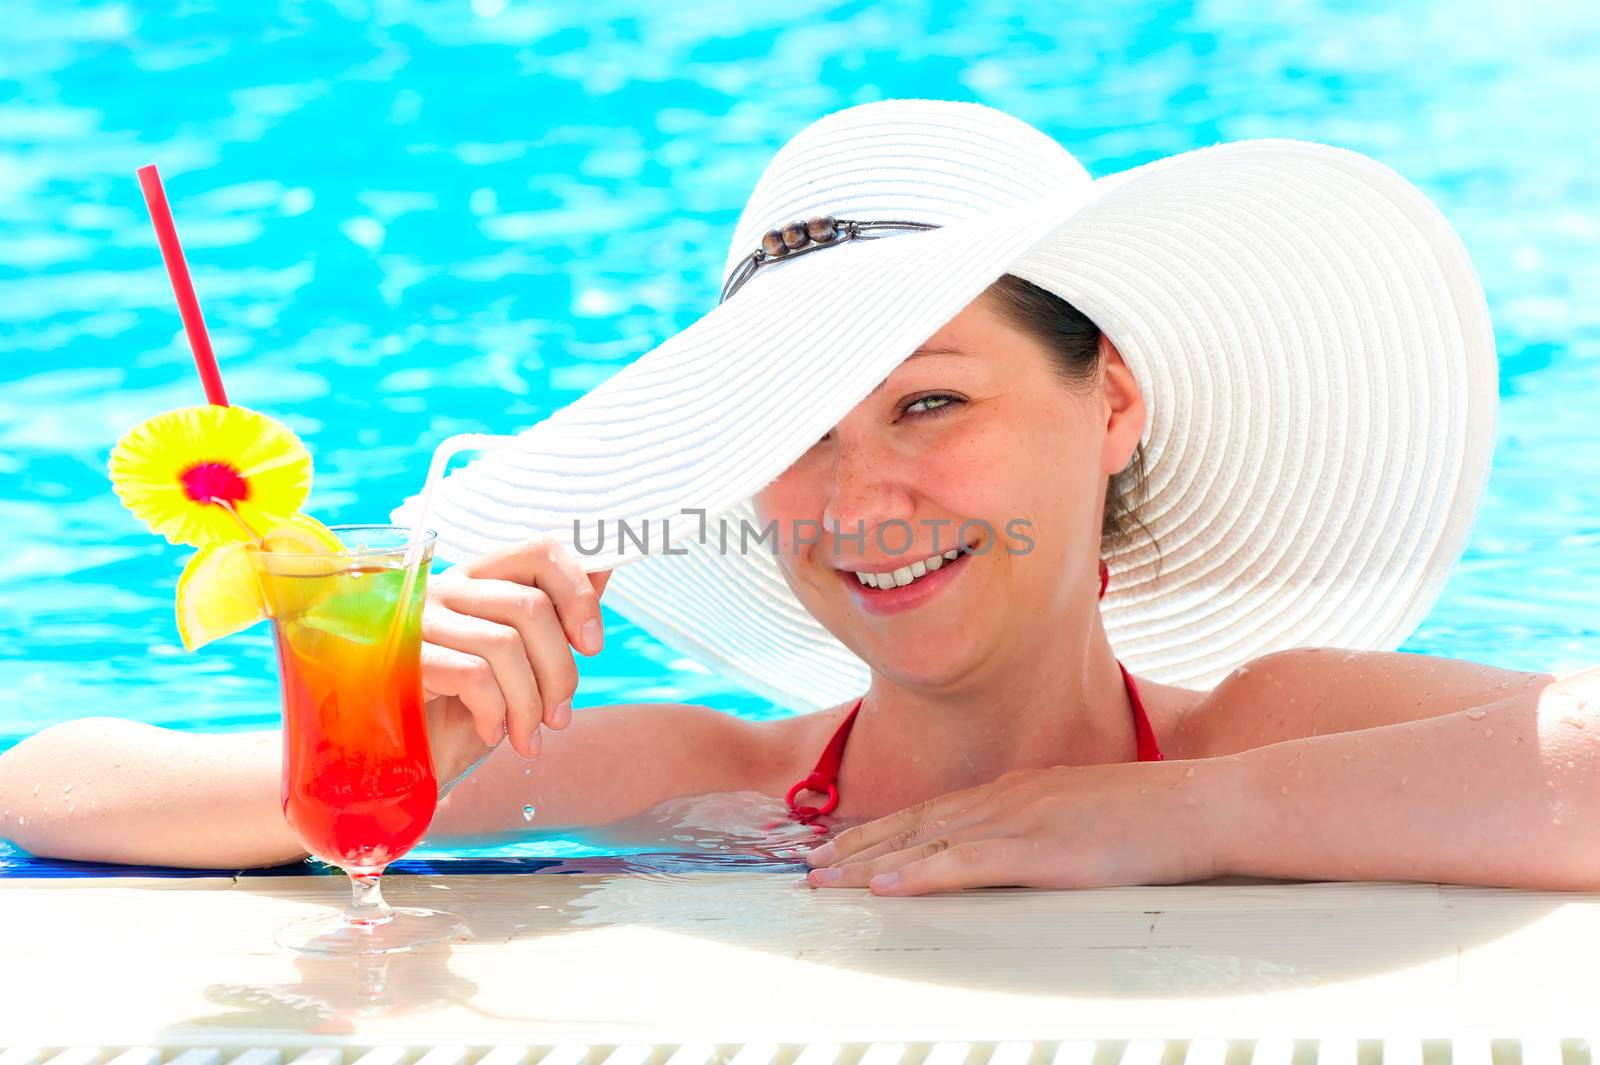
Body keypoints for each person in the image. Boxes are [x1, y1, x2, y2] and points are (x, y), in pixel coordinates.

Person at [4, 99, 1597, 894]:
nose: (863, 491)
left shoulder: (1258, 733)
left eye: (932, 399)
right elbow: (47, 780)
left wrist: (1186, 817)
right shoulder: (697, 780)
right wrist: (368, 751)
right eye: (794, 423)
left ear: (1108, 404)